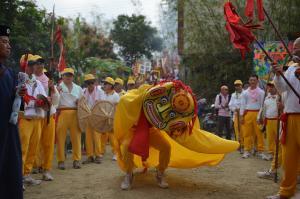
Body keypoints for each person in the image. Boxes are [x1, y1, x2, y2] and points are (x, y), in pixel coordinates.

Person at [114, 80, 239, 190]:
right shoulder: (130, 98)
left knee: (166, 147)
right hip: (133, 131)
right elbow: (124, 108)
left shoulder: (161, 98)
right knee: (126, 147)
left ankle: (160, 173)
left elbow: (170, 115)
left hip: (152, 131)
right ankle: (128, 174)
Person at [267, 37, 300, 199]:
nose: (294, 51)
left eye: (297, 48)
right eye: (293, 48)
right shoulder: (292, 69)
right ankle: (286, 192)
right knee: (289, 159)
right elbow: (281, 89)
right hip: (291, 117)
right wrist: (278, 75)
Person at [0, 25, 24, 199]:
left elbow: (13, 102)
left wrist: (18, 95)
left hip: (9, 130)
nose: (9, 46)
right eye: (4, 42)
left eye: (9, 42)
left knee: (11, 167)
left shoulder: (9, 72)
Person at [19, 55, 47, 186]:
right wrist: (34, 103)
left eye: (34, 64)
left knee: (33, 149)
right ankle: (18, 177)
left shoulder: (38, 82)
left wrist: (44, 102)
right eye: (30, 64)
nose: (33, 67)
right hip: (25, 119)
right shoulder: (19, 80)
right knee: (22, 149)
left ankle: (27, 174)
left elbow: (44, 98)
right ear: (23, 64)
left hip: (37, 120)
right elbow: (20, 100)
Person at [32, 55, 59, 181]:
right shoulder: (29, 78)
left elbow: (56, 99)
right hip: (36, 115)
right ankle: (35, 165)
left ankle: (47, 169)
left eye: (42, 63)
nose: (40, 65)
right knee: (35, 143)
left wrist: (52, 89)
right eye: (37, 63)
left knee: (48, 143)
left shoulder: (48, 78)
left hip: (49, 115)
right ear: (32, 65)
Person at [56, 68, 83, 170]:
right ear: (62, 76)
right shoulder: (58, 87)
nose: (68, 77)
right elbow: (54, 101)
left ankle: (76, 160)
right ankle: (61, 160)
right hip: (62, 112)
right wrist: (56, 92)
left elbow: (82, 101)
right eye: (66, 75)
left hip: (75, 113)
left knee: (76, 138)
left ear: (73, 77)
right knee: (61, 138)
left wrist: (79, 102)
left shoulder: (78, 88)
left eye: (70, 75)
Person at [240, 74, 266, 159]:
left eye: (254, 80)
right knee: (247, 133)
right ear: (249, 81)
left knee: (259, 133)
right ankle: (247, 150)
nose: (252, 82)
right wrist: (241, 116)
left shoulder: (262, 92)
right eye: (251, 80)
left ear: (257, 81)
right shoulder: (245, 92)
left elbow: (263, 105)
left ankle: (260, 151)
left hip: (258, 114)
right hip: (247, 113)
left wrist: (261, 116)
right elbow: (242, 105)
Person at [82, 74, 104, 164]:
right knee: (88, 138)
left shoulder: (100, 92)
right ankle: (90, 156)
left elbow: (102, 104)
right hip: (87, 117)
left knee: (97, 137)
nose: (90, 85)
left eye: (92, 83)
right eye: (88, 83)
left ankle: (98, 155)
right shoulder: (83, 92)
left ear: (94, 83)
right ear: (86, 84)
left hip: (96, 117)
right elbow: (82, 104)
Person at [257, 81, 279, 160]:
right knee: (270, 138)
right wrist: (259, 117)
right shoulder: (266, 98)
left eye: (272, 86)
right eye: (269, 86)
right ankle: (271, 153)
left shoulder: (280, 97)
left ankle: (278, 154)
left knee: (278, 138)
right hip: (268, 121)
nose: (270, 88)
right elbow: (262, 108)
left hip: (278, 120)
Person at [100, 77, 120, 161]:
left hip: (112, 118)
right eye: (104, 83)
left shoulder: (115, 95)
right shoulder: (103, 94)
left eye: (106, 84)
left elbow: (116, 108)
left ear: (111, 86)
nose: (104, 85)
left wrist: (113, 117)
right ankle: (101, 152)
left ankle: (115, 153)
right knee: (103, 135)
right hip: (104, 117)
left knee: (112, 137)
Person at [229, 80, 244, 152]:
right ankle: (239, 145)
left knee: (244, 131)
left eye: (239, 85)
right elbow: (230, 105)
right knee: (237, 130)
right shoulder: (233, 95)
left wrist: (241, 109)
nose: (237, 87)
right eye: (236, 86)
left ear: (242, 85)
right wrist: (235, 109)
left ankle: (245, 145)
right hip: (236, 115)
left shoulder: (246, 93)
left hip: (244, 115)